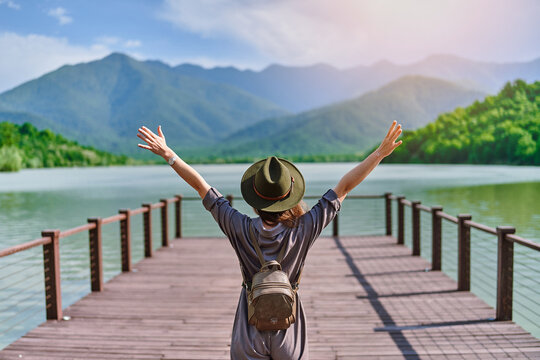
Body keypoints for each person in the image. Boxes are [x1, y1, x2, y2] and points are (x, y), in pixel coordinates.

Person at [137, 121, 402, 359]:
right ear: (291, 195)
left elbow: (201, 186)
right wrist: (379, 154)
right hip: (290, 332)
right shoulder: (304, 228)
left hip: (248, 331)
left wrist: (169, 155)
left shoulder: (238, 226)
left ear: (255, 201)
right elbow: (344, 187)